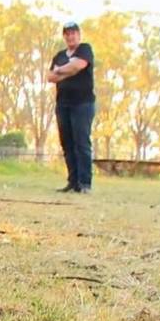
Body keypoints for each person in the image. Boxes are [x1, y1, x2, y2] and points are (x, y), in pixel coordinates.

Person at [48, 19, 96, 194]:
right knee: (67, 143)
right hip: (63, 105)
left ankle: (85, 183)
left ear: (79, 34)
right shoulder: (59, 56)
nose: (71, 36)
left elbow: (79, 65)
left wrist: (61, 70)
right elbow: (50, 77)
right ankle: (73, 181)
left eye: (73, 33)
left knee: (81, 142)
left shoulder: (85, 49)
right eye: (67, 33)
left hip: (83, 104)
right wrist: (68, 70)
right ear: (64, 36)